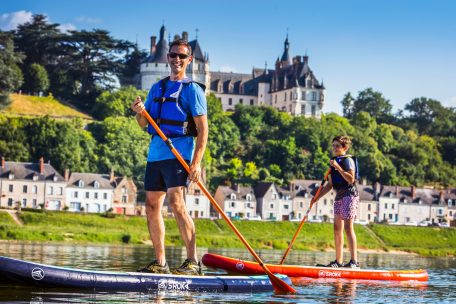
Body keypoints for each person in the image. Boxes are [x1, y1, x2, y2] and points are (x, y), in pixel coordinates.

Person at [130, 39, 208, 275]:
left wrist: (196, 163)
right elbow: (145, 124)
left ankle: (193, 262)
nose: (177, 60)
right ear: (168, 58)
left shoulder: (192, 89)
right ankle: (160, 262)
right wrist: (139, 113)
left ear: (189, 60)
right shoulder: (157, 88)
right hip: (156, 155)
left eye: (182, 57)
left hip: (179, 153)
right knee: (152, 206)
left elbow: (203, 130)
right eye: (173, 55)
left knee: (177, 203)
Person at [314, 135, 360, 268]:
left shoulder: (347, 160)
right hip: (339, 195)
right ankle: (338, 262)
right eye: (333, 145)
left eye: (337, 146)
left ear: (344, 148)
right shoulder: (333, 161)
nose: (334, 148)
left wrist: (338, 167)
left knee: (348, 227)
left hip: (350, 194)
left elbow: (351, 179)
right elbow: (329, 185)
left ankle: (354, 262)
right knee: (336, 228)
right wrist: (316, 198)